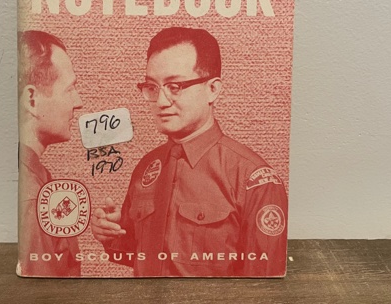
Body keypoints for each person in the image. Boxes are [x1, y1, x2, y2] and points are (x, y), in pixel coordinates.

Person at [91, 27, 288, 277]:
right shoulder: (147, 167)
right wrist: (112, 233)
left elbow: (264, 286)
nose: (161, 102)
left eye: (175, 86)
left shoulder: (253, 180)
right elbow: (139, 256)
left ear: (212, 89)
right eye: (152, 87)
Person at [16, 30, 84, 277]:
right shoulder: (33, 198)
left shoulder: (33, 179)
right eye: (70, 89)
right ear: (32, 100)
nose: (78, 102)